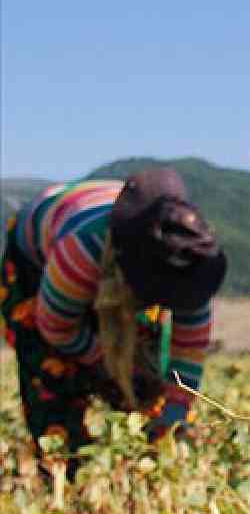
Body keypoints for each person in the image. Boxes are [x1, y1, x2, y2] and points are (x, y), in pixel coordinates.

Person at [1, 168, 226, 476]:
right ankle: (65, 470)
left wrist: (173, 416)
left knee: (147, 375)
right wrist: (106, 364)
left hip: (118, 247)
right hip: (37, 261)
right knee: (52, 371)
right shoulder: (81, 250)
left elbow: (188, 350)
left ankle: (141, 460)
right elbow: (56, 327)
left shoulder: (191, 260)